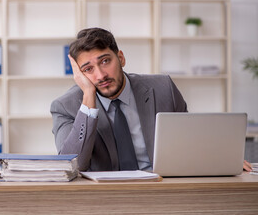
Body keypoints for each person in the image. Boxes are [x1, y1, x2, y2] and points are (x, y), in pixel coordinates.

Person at [50, 27, 253, 172]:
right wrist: (88, 96)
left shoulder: (163, 88)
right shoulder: (65, 106)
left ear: (120, 58)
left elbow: (189, 142)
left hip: (163, 189)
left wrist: (221, 159)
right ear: (79, 75)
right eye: (88, 69)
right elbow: (72, 166)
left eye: (105, 61)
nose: (100, 75)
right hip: (105, 199)